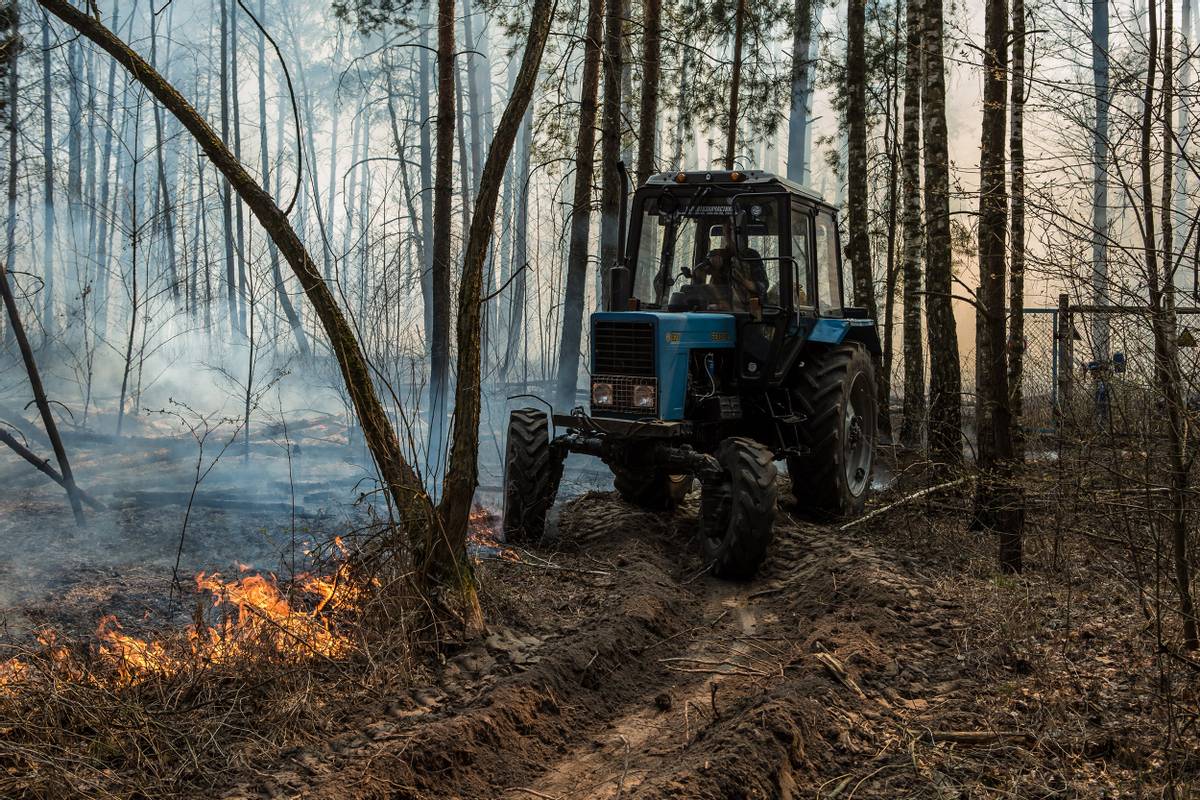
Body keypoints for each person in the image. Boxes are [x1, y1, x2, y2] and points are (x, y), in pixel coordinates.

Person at [691, 224, 769, 311]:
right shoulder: (718, 255)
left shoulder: (750, 255)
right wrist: (715, 269)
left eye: (731, 231)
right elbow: (701, 278)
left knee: (756, 316)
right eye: (726, 232)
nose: (728, 236)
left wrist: (744, 281)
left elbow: (763, 286)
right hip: (726, 311)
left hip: (752, 308)